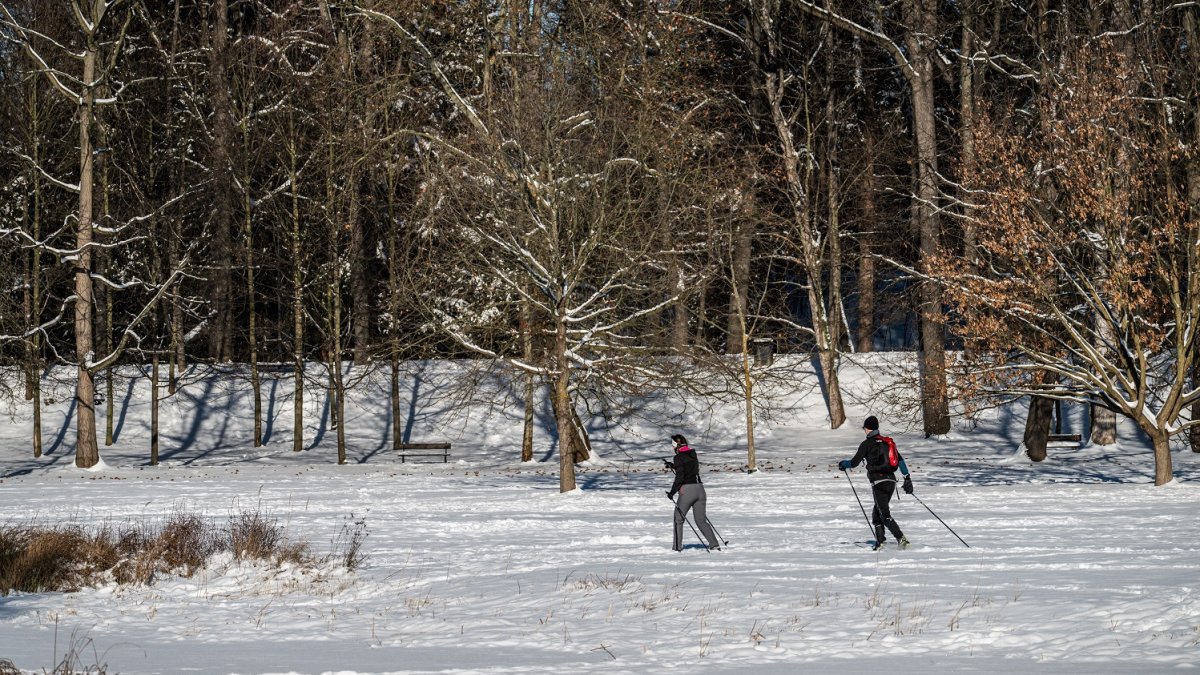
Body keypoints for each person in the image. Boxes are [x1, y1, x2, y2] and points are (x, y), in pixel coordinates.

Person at [838, 416, 913, 550]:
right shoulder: (887, 442)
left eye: (864, 428)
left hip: (879, 483)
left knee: (883, 513)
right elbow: (900, 461)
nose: (864, 431)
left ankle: (901, 538)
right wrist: (907, 478)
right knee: (877, 512)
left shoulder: (866, 444)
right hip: (891, 481)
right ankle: (880, 541)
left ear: (868, 429)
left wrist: (843, 464)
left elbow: (854, 463)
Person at [664, 434, 721, 551]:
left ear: (675, 445)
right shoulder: (692, 454)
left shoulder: (679, 457)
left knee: (678, 519)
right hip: (700, 490)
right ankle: (715, 545)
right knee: (701, 520)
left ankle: (676, 548)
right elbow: (688, 469)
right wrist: (674, 466)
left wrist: (672, 492)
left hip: (688, 491)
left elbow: (680, 477)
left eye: (672, 445)